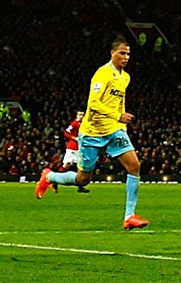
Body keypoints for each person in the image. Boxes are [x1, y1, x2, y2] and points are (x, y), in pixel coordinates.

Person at [36, 37, 149, 229]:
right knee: (83, 179)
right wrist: (117, 116)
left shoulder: (125, 77)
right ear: (112, 53)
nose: (126, 57)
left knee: (134, 166)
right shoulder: (102, 74)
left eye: (128, 54)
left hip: (114, 131)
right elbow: (93, 104)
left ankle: (129, 216)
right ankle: (49, 177)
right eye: (122, 53)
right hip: (92, 132)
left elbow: (119, 103)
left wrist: (121, 125)